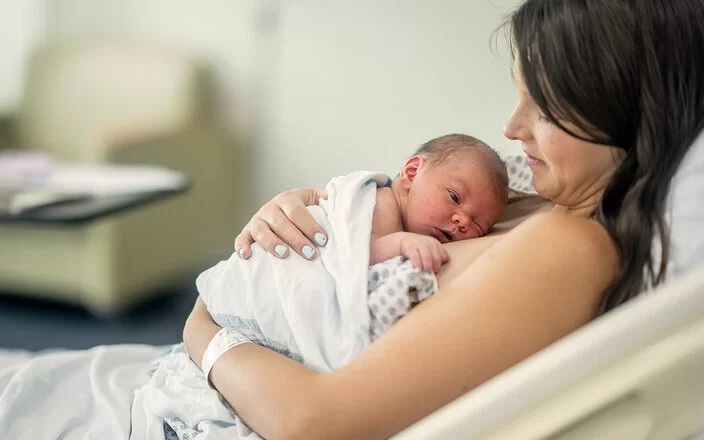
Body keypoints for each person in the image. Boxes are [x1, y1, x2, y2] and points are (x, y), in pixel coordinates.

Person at [182, 0, 704, 439]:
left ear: (629, 116)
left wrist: (204, 329)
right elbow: (379, 205)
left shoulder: (570, 245)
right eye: (521, 95)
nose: (511, 126)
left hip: (235, 367)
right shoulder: (531, 193)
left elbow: (312, 423)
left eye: (545, 108)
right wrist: (309, 208)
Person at [196, 133, 508, 376]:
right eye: (454, 197)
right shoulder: (382, 203)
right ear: (412, 173)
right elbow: (354, 251)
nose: (462, 221)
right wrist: (400, 243)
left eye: (479, 225)